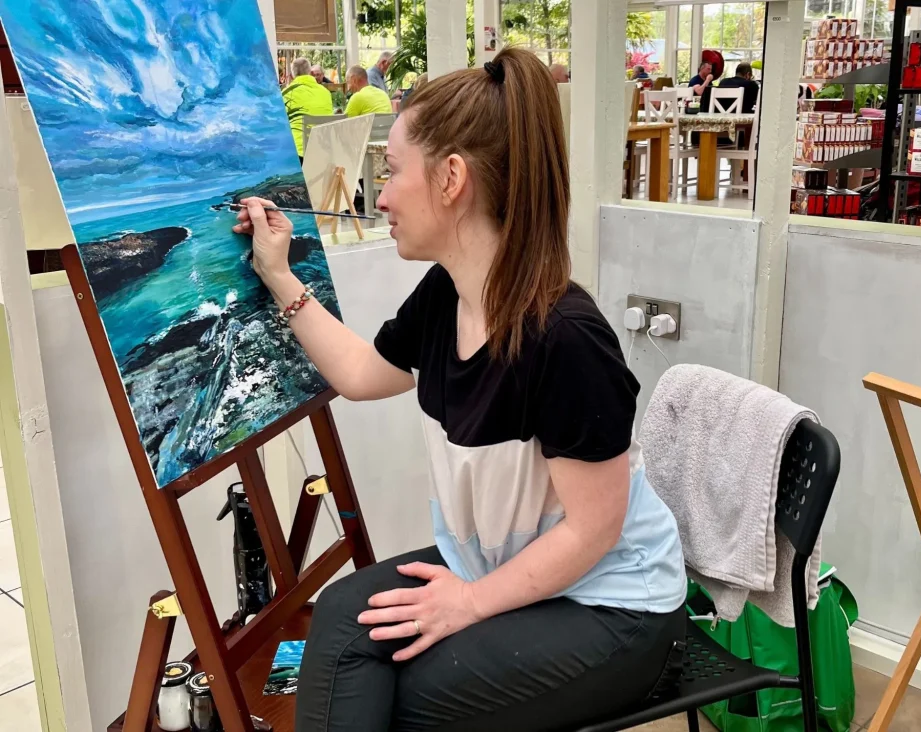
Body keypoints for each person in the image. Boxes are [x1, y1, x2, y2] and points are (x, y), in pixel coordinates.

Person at [233, 47, 686, 732]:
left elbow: (596, 532)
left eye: (391, 172)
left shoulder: (567, 339)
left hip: (615, 607)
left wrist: (469, 603)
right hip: (503, 561)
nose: (378, 196)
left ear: (451, 179)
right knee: (338, 619)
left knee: (401, 698)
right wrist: (278, 275)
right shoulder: (446, 295)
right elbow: (360, 375)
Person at [281, 57, 333, 161]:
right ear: (311, 73)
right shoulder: (326, 93)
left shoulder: (286, 94)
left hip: (298, 154)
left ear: (292, 76)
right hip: (324, 151)